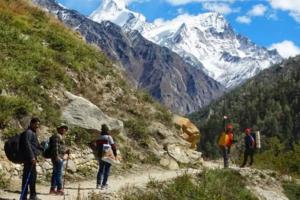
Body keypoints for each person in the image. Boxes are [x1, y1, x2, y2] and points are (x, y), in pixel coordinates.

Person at [20, 118, 42, 200]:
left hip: (31, 158)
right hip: (29, 159)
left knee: (32, 177)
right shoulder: (28, 132)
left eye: (38, 124)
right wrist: (32, 157)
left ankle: (31, 195)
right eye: (36, 124)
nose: (37, 126)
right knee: (27, 177)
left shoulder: (33, 133)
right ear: (31, 124)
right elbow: (27, 145)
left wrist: (41, 147)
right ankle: (25, 196)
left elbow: (34, 145)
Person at [49, 123, 70, 195]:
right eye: (62, 128)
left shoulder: (60, 136)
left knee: (55, 173)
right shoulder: (57, 136)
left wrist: (66, 151)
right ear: (59, 129)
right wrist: (57, 156)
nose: (64, 129)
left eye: (65, 128)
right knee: (58, 173)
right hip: (57, 157)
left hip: (59, 157)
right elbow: (55, 147)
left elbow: (60, 148)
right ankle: (59, 189)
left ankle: (52, 189)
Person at [96, 124, 117, 190]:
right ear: (107, 130)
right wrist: (115, 154)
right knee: (107, 170)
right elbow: (113, 147)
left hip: (100, 155)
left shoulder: (99, 137)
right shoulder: (109, 137)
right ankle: (104, 185)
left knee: (100, 169)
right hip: (107, 155)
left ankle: (98, 184)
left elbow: (96, 146)